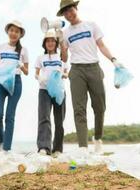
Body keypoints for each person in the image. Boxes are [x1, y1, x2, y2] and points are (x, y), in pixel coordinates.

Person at [57, 0, 124, 153]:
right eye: (65, 12)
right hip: (77, 71)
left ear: (76, 8)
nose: (69, 14)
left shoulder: (91, 25)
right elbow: (64, 58)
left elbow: (101, 45)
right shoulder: (66, 33)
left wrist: (114, 59)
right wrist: (61, 42)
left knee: (100, 107)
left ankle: (98, 138)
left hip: (94, 67)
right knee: (79, 110)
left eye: (70, 10)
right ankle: (83, 147)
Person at [0, 20, 29, 152]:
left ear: (20, 34)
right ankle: (0, 142)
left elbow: (27, 72)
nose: (14, 33)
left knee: (9, 116)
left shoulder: (23, 50)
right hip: (0, 82)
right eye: (12, 30)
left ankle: (6, 149)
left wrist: (21, 65)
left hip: (16, 82)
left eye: (17, 31)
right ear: (8, 31)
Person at [35, 31, 69, 156]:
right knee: (44, 118)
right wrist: (40, 78)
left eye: (52, 41)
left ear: (56, 43)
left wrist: (64, 75)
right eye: (47, 41)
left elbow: (66, 71)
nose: (50, 43)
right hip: (44, 90)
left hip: (59, 91)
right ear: (44, 43)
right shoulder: (40, 58)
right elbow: (36, 73)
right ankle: (44, 148)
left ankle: (58, 149)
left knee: (59, 120)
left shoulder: (61, 58)